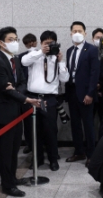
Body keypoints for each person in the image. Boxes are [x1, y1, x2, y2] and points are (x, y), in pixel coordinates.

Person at [0, 27, 40, 197]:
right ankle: (7, 184)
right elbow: (5, 88)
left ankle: (12, 178)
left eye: (16, 39)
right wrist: (24, 98)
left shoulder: (16, 59)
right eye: (11, 39)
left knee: (14, 148)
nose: (15, 42)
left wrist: (16, 89)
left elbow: (22, 82)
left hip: (16, 111)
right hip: (4, 112)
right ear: (1, 43)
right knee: (5, 150)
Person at [22, 31, 69, 171]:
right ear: (41, 44)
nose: (48, 46)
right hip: (33, 97)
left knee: (51, 131)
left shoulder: (57, 59)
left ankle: (53, 159)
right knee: (34, 131)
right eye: (45, 43)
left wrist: (60, 61)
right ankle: (37, 159)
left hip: (50, 99)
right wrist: (41, 52)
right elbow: (24, 61)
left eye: (51, 43)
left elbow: (65, 79)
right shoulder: (34, 55)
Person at [65, 21, 100, 167]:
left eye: (80, 30)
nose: (77, 33)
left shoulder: (91, 50)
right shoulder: (69, 51)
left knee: (88, 125)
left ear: (85, 33)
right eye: (74, 31)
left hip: (86, 94)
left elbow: (94, 73)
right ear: (71, 33)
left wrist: (90, 93)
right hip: (72, 91)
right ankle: (79, 151)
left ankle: (91, 154)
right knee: (75, 124)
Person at [19, 33, 38, 154]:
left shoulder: (41, 54)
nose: (31, 45)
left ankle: (39, 145)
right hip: (25, 93)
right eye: (28, 43)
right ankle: (29, 144)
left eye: (32, 42)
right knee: (27, 122)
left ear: (36, 42)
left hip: (36, 91)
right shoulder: (21, 57)